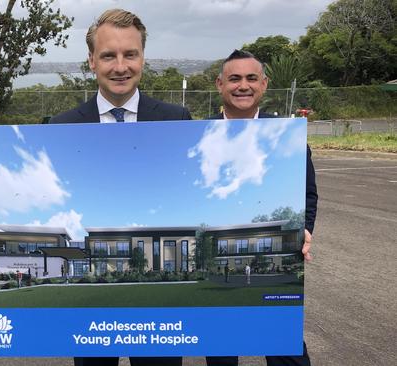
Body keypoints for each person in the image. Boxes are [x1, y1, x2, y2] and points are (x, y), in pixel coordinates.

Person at [50, 8, 196, 366]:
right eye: (108, 55)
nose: (120, 66)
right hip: (93, 298)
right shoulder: (61, 127)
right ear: (91, 61)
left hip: (157, 304)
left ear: (143, 57)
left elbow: (187, 193)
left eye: (130, 54)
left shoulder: (177, 120)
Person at [210, 49, 318, 366]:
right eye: (234, 78)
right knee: (221, 351)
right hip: (224, 245)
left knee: (286, 348)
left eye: (251, 78)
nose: (243, 85)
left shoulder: (287, 136)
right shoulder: (199, 135)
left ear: (264, 84)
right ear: (219, 84)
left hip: (274, 248)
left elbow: (308, 193)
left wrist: (305, 228)